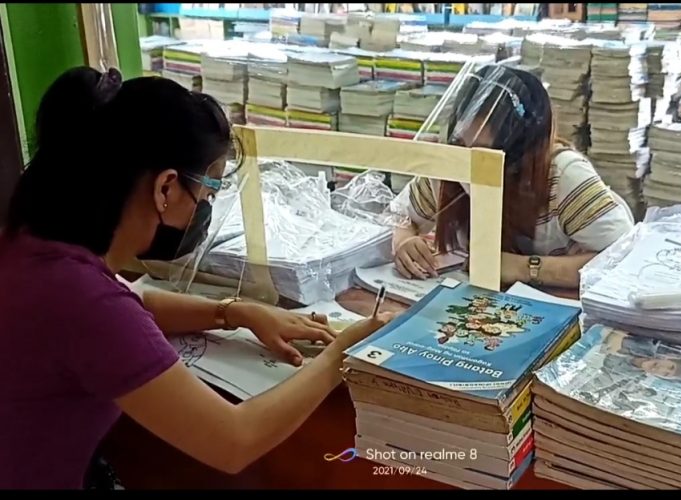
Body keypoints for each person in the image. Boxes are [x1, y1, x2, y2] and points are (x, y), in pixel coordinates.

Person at [0, 67, 391, 489]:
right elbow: (234, 440)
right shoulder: (83, 301)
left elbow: (137, 302)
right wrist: (339, 357)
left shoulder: (31, 245)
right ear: (165, 188)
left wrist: (234, 312)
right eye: (207, 194)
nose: (205, 209)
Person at [391, 65, 634, 289]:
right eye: (461, 144)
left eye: (484, 153)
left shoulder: (564, 176)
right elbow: (400, 214)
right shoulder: (452, 163)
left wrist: (524, 268)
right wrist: (404, 241)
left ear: (520, 153)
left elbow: (624, 258)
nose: (469, 164)